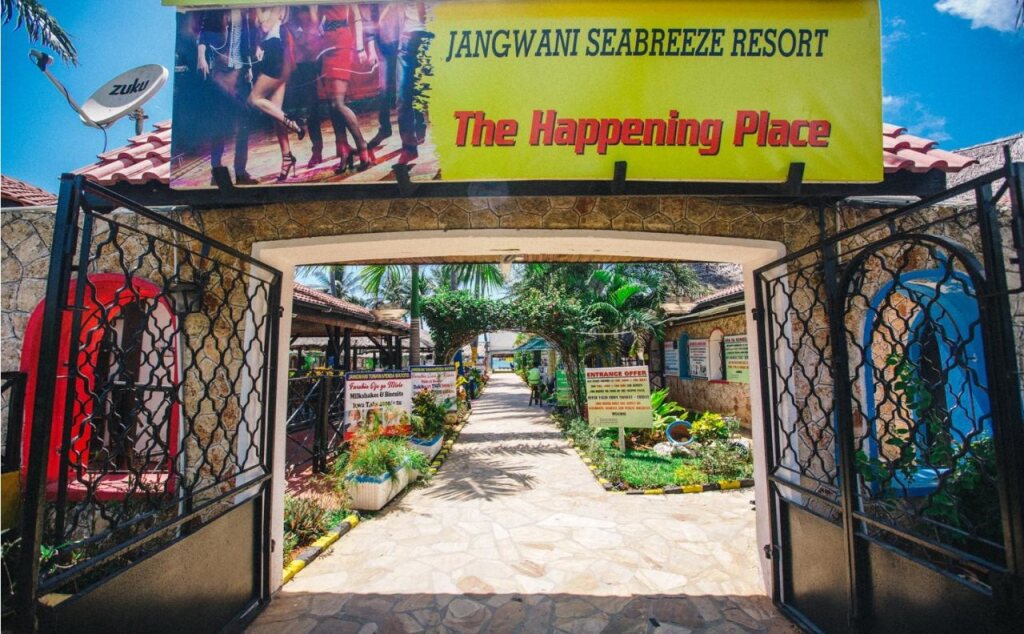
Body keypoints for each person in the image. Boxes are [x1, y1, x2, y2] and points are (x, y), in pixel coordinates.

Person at [196, 9, 258, 185]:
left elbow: (245, 40)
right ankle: (216, 172)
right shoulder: (217, 9)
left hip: (239, 72)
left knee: (243, 121)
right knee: (220, 123)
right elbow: (203, 34)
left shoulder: (244, 11)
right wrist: (201, 57)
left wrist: (249, 66)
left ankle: (240, 172)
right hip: (220, 72)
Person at [247, 5, 306, 182]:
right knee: (275, 113)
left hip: (276, 54)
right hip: (271, 53)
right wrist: (258, 44)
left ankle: (292, 122)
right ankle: (287, 158)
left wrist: (257, 9)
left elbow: (265, 27)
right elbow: (260, 30)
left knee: (254, 99)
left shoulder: (277, 4)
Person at [319, 3, 376, 173]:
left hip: (342, 42)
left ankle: (361, 144)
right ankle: (344, 149)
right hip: (326, 43)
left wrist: (360, 48)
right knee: (332, 104)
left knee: (337, 103)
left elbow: (357, 16)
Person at [395, 2, 431, 165]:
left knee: (439, 95)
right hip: (408, 36)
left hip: (431, 34)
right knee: (403, 96)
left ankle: (449, 148)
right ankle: (409, 147)